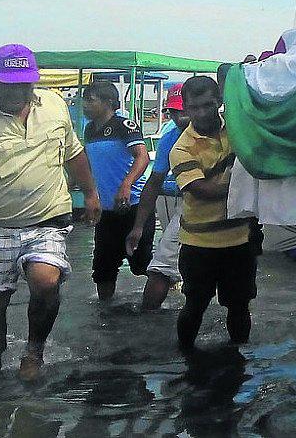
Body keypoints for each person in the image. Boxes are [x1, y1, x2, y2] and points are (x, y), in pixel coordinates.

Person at [0, 44, 101, 377]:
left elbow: (74, 153)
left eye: (23, 83)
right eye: (8, 83)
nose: (16, 91)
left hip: (47, 219)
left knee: (46, 280)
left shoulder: (54, 105)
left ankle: (34, 352)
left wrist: (91, 193)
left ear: (34, 80)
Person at [168, 76, 257, 353]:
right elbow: (202, 191)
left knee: (239, 305)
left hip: (240, 239)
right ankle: (184, 357)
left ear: (219, 102)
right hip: (199, 244)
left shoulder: (238, 128)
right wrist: (247, 181)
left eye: (208, 105)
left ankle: (239, 358)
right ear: (185, 108)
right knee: (195, 305)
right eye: (194, 107)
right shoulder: (181, 148)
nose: (202, 113)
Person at [82, 80, 154, 302]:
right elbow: (91, 165)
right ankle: (104, 313)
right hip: (106, 211)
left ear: (108, 102)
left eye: (90, 100)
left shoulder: (124, 125)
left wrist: (126, 184)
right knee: (103, 268)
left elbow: (142, 157)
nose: (84, 105)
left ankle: (167, 288)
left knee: (141, 263)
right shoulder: (89, 130)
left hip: (134, 206)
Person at [127, 83, 189, 310]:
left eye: (184, 111)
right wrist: (138, 227)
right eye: (174, 112)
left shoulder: (225, 131)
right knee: (161, 267)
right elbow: (154, 183)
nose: (180, 118)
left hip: (225, 206)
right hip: (189, 206)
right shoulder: (170, 138)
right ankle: (148, 320)